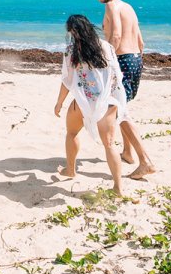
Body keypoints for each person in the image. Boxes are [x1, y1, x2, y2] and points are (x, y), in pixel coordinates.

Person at [54, 14, 127, 195]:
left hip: (82, 101)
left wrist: (59, 102)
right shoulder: (106, 46)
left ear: (72, 31)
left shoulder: (71, 50)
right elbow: (117, 75)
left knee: (71, 133)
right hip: (107, 102)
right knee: (109, 145)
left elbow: (67, 80)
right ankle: (118, 188)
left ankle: (71, 170)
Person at [92, 0, 156, 178]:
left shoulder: (112, 6)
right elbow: (141, 41)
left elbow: (117, 35)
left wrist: (106, 60)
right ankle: (128, 153)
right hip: (135, 58)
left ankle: (145, 160)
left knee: (117, 109)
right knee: (121, 107)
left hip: (122, 58)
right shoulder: (128, 7)